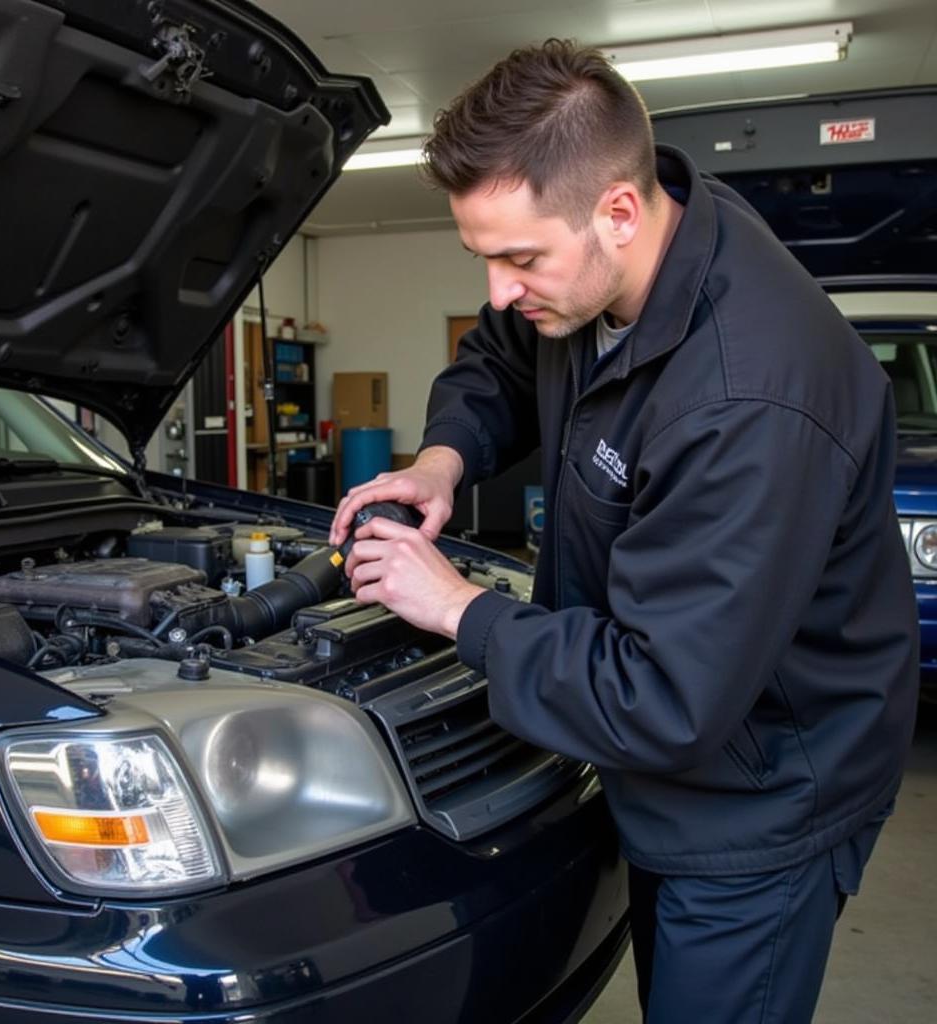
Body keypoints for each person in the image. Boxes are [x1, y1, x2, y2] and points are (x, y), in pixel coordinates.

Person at [328, 40, 918, 1023]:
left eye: (519, 258)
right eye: (483, 257)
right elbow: (498, 357)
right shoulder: (607, 269)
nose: (501, 289)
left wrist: (461, 608)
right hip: (649, 765)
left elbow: (665, 695)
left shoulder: (748, 401)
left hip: (758, 804)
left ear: (618, 210)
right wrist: (443, 460)